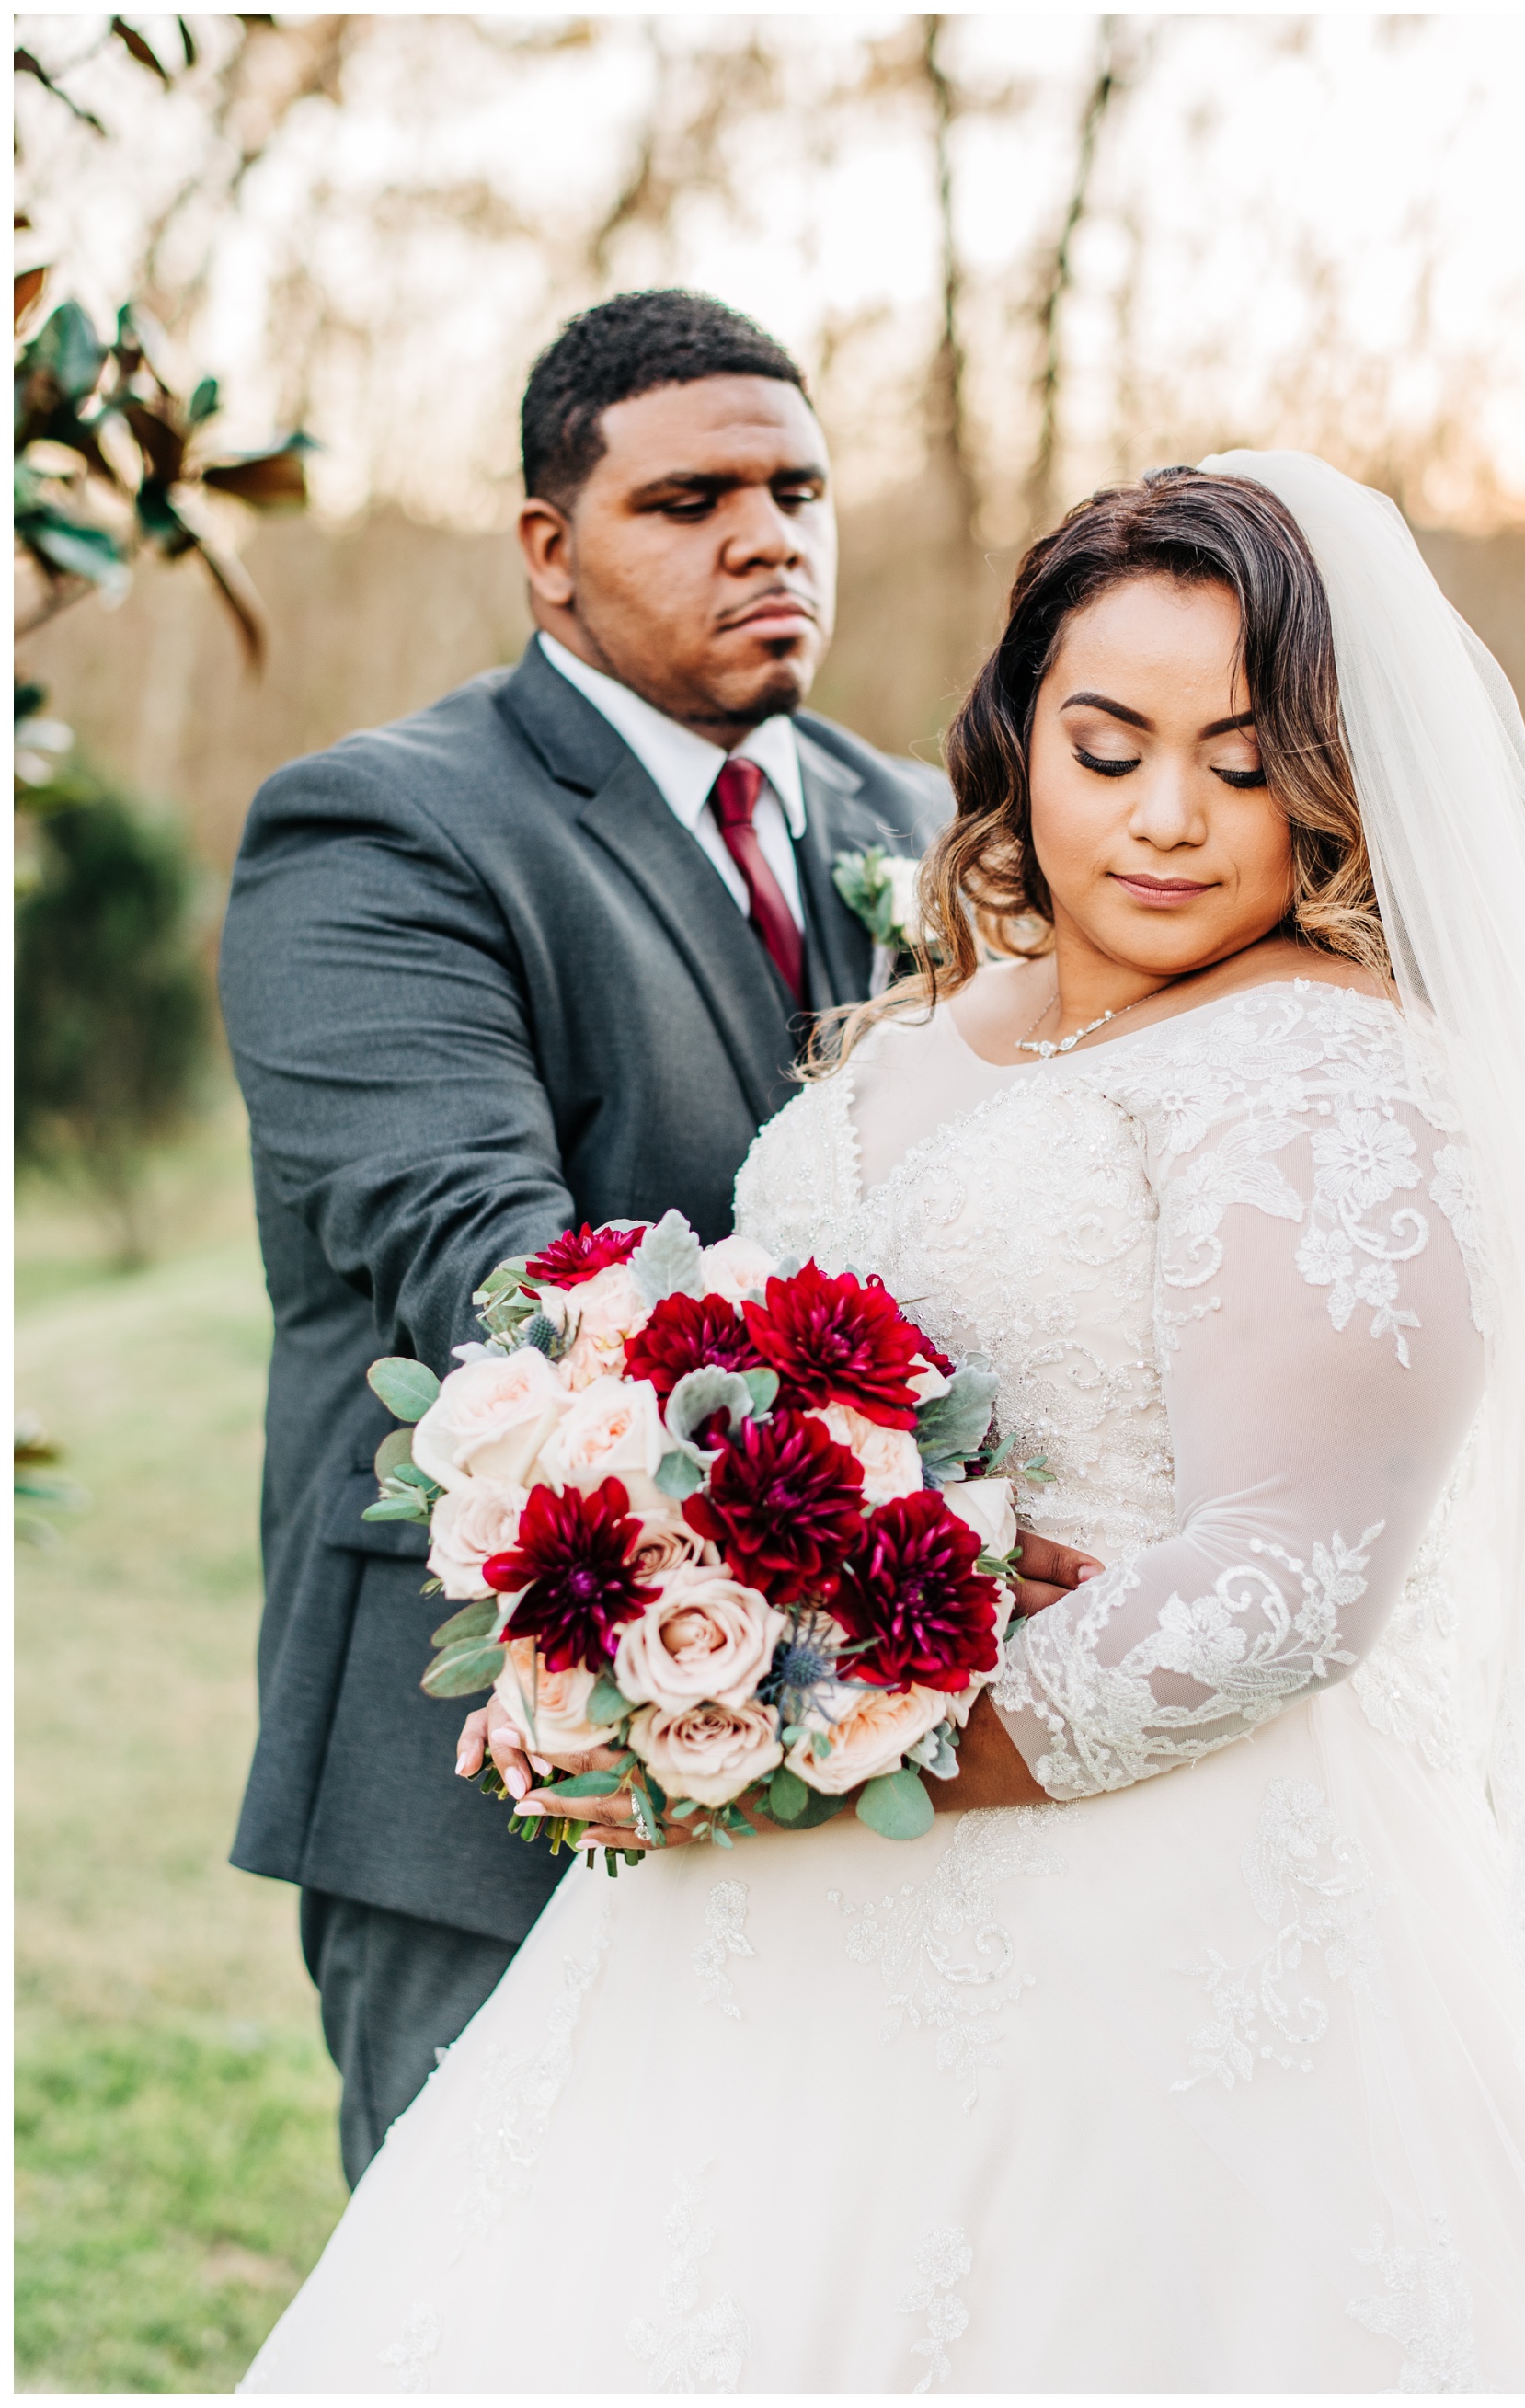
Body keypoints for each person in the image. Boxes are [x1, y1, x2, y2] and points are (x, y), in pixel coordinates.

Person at [240, 455, 1525, 2391]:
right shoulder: (968, 1007)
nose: (1163, 820)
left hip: (1147, 1927)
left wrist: (788, 1740)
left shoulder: (1333, 1071)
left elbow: (1290, 1585)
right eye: (1106, 743)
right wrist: (633, 1607)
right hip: (744, 1932)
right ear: (1018, 734)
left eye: (1238, 761)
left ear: (1333, 776)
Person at [217, 289, 955, 2187]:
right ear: (548, 551)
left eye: (797, 485)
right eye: (688, 497)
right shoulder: (381, 831)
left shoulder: (932, 824)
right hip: (501, 1759)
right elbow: (493, 1267)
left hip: (890, 1751)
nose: (766, 532)